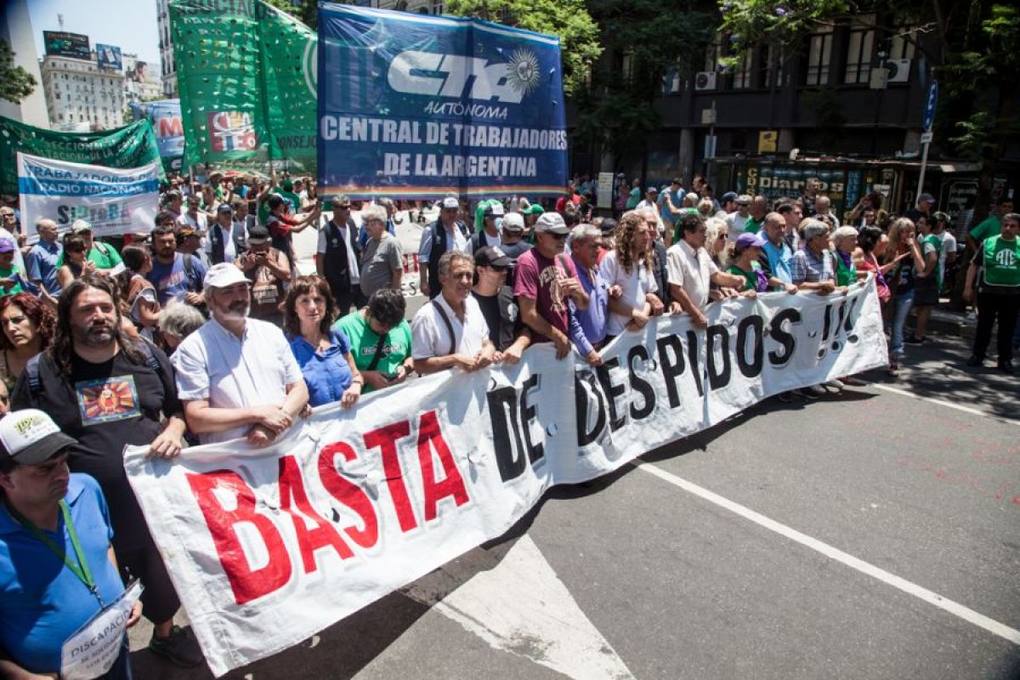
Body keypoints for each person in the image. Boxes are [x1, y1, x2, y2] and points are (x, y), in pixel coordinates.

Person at [11, 274, 199, 667]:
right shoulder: (39, 374)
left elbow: (178, 409)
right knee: (95, 586)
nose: (98, 316)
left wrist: (175, 429)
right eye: (86, 310)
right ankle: (101, 655)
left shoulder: (145, 355)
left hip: (148, 501)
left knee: (162, 574)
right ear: (67, 318)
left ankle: (164, 633)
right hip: (77, 509)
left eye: (105, 308)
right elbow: (20, 442)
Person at [0, 409, 143, 679]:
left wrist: (120, 599)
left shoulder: (87, 489)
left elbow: (104, 544)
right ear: (5, 479)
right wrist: (21, 676)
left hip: (114, 654)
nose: (63, 474)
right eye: (45, 469)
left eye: (64, 461)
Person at [173, 263, 309, 446]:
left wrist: (273, 425)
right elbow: (197, 419)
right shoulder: (192, 349)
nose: (238, 297)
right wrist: (257, 415)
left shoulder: (271, 332)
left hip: (286, 450)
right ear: (210, 300)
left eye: (242, 288)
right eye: (227, 291)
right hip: (234, 463)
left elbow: (299, 389)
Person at [514, 212, 590, 359]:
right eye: (556, 236)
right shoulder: (527, 262)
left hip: (562, 342)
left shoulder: (565, 260)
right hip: (537, 348)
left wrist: (578, 293)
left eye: (564, 235)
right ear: (540, 236)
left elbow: (583, 305)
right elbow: (528, 314)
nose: (562, 240)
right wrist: (557, 336)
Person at [412, 251, 497, 374]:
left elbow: (486, 341)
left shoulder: (473, 303)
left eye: (469, 275)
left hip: (477, 390)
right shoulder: (426, 317)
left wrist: (489, 350)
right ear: (443, 278)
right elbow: (419, 365)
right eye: (458, 275)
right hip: (446, 392)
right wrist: (454, 359)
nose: (465, 281)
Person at [283, 276, 363, 409]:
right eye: (305, 301)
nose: (313, 307)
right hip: (313, 426)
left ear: (326, 304)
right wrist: (296, 406)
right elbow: (280, 392)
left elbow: (356, 374)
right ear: (294, 308)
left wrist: (356, 385)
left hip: (348, 423)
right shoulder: (285, 346)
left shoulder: (338, 337)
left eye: (318, 300)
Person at [964, 212, 1020, 373]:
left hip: (1013, 293)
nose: (1007, 228)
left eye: (1012, 226)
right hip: (988, 291)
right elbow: (974, 265)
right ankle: (977, 356)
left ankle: (1005, 360)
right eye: (1005, 225)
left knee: (1007, 329)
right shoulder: (988, 243)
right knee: (984, 326)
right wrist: (968, 287)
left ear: (1018, 229)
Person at [666, 214, 745, 327]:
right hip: (684, 318)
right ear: (687, 233)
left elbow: (716, 275)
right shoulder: (675, 253)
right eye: (701, 231)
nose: (705, 236)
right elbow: (675, 289)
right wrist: (695, 314)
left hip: (701, 314)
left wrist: (737, 280)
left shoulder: (701, 251)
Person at [337, 289, 414, 393]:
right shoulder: (342, 330)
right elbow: (334, 374)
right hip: (360, 401)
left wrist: (406, 368)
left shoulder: (402, 325)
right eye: (381, 325)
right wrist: (367, 377)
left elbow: (414, 357)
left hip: (396, 399)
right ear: (368, 312)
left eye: (392, 326)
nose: (386, 330)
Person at [600, 212, 662, 339]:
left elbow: (649, 294)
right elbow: (605, 298)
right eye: (641, 233)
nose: (647, 237)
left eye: (648, 233)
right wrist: (634, 314)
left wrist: (642, 317)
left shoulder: (644, 260)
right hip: (617, 333)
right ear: (628, 235)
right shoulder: (612, 259)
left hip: (638, 331)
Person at [471, 247, 530, 363]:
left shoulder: (511, 295)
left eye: (505, 267)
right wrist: (487, 352)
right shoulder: (467, 301)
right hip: (479, 372)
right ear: (480, 270)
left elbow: (524, 329)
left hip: (511, 371)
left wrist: (518, 345)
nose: (504, 272)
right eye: (498, 268)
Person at [885, 217, 926, 363]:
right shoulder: (888, 245)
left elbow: (921, 268)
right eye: (904, 232)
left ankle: (895, 356)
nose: (907, 235)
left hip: (906, 290)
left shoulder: (914, 246)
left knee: (898, 324)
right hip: (888, 290)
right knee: (884, 323)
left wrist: (913, 247)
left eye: (911, 232)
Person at [316, 194, 363, 315]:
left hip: (358, 280)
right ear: (334, 209)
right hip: (339, 284)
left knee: (364, 314)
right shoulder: (326, 231)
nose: (347, 210)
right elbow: (320, 257)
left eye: (348, 206)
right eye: (343, 207)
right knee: (341, 317)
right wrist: (322, 279)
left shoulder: (351, 225)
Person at [0, 294, 54, 392]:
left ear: (37, 319)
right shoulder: (2, 361)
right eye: (4, 323)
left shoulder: (59, 354)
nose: (10, 328)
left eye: (17, 320)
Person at [419, 196, 471, 299]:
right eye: (448, 211)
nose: (451, 214)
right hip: (440, 282)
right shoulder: (431, 230)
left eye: (454, 211)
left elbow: (469, 253)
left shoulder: (463, 228)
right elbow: (423, 258)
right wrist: (424, 282)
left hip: (461, 279)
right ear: (441, 212)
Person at [147, 224, 207, 307]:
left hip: (193, 316)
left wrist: (200, 297)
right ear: (153, 245)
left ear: (175, 241)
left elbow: (210, 286)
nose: (167, 245)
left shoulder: (190, 261)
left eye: (170, 241)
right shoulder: (149, 268)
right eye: (162, 242)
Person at [906, 216, 941, 345]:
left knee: (923, 309)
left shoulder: (929, 240)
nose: (918, 224)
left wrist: (925, 273)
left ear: (929, 226)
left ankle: (918, 335)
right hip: (930, 277)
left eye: (921, 223)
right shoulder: (927, 238)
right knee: (923, 308)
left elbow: (932, 258)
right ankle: (920, 333)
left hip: (928, 278)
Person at [728, 233, 798, 294]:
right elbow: (730, 296)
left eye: (760, 248)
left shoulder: (756, 265)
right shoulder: (732, 273)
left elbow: (767, 278)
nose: (760, 252)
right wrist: (744, 294)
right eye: (756, 249)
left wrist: (785, 284)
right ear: (744, 250)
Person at [359, 204, 403, 300]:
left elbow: (397, 272)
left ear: (382, 224)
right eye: (365, 222)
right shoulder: (370, 241)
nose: (366, 226)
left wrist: (394, 299)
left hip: (384, 299)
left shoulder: (391, 243)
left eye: (370, 223)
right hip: (370, 298)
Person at [117, 245, 161, 340]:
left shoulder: (125, 281)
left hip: (128, 334)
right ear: (146, 259)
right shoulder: (143, 285)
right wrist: (167, 312)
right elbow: (146, 319)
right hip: (143, 337)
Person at [266, 194, 318, 267]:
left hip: (284, 248)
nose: (285, 206)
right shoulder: (274, 222)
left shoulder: (279, 215)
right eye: (283, 204)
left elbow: (297, 222)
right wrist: (312, 218)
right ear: (280, 206)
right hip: (278, 252)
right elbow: (297, 229)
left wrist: (314, 211)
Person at [55, 220, 122, 274]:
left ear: (92, 233)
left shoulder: (106, 248)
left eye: (87, 233)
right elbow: (60, 276)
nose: (85, 236)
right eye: (80, 234)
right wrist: (84, 273)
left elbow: (122, 268)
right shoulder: (69, 252)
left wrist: (102, 272)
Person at [24, 218, 62, 297]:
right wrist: (47, 299)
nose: (57, 231)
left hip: (66, 295)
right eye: (53, 229)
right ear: (42, 232)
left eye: (57, 228)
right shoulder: (35, 252)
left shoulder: (60, 247)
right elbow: (36, 282)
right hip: (51, 297)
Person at [761, 212, 795, 287]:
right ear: (766, 228)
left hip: (790, 293)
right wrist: (784, 284)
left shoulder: (786, 243)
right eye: (777, 227)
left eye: (784, 226)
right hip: (770, 295)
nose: (782, 230)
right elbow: (761, 274)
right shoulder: (759, 246)